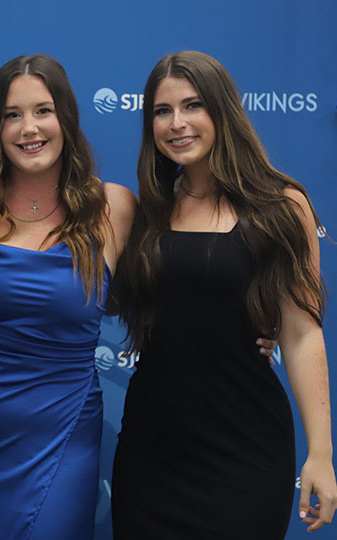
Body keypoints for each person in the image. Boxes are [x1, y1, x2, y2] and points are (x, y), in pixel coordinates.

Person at [111, 50, 337, 538]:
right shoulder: (147, 208)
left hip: (245, 453)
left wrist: (320, 452)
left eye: (193, 106)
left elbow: (301, 335)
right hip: (151, 452)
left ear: (222, 110)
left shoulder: (280, 205)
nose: (177, 123)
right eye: (162, 111)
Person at [0, 54, 136, 539]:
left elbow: (167, 293)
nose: (28, 128)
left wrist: (250, 331)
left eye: (43, 110)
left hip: (63, 434)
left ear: (66, 119)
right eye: (11, 114)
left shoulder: (113, 208)